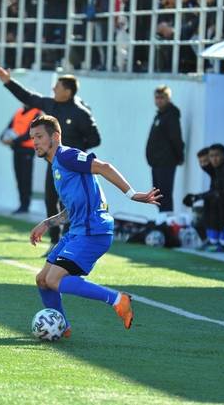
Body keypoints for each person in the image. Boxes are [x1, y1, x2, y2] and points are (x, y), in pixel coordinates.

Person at [29, 115, 161, 337]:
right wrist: (48, 222)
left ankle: (118, 300)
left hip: (93, 231)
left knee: (54, 279)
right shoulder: (57, 166)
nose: (35, 142)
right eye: (32, 137)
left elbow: (103, 167)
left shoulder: (67, 156)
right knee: (42, 280)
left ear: (56, 136)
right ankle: (63, 326)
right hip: (78, 231)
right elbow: (73, 209)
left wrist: (132, 194)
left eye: (39, 136)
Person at [0, 67, 101, 256]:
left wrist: (75, 150)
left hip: (73, 168)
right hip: (54, 164)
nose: (53, 89)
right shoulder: (51, 105)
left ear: (67, 91)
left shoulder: (81, 113)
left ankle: (68, 242)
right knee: (50, 201)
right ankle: (54, 241)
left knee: (69, 205)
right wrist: (8, 82)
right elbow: (29, 97)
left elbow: (95, 139)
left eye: (57, 87)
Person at [146, 84, 184, 213]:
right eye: (157, 98)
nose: (159, 100)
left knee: (165, 195)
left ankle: (167, 221)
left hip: (166, 162)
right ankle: (162, 219)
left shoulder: (171, 115)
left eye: (162, 97)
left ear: (168, 98)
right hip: (156, 163)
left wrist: (179, 157)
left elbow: (176, 138)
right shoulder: (160, 115)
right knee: (157, 196)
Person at [0, 105, 42, 214]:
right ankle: (22, 204)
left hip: (27, 150)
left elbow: (30, 133)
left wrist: (13, 141)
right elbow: (9, 127)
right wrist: (2, 137)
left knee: (25, 178)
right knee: (19, 177)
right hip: (17, 149)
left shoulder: (36, 113)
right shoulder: (19, 112)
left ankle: (25, 205)